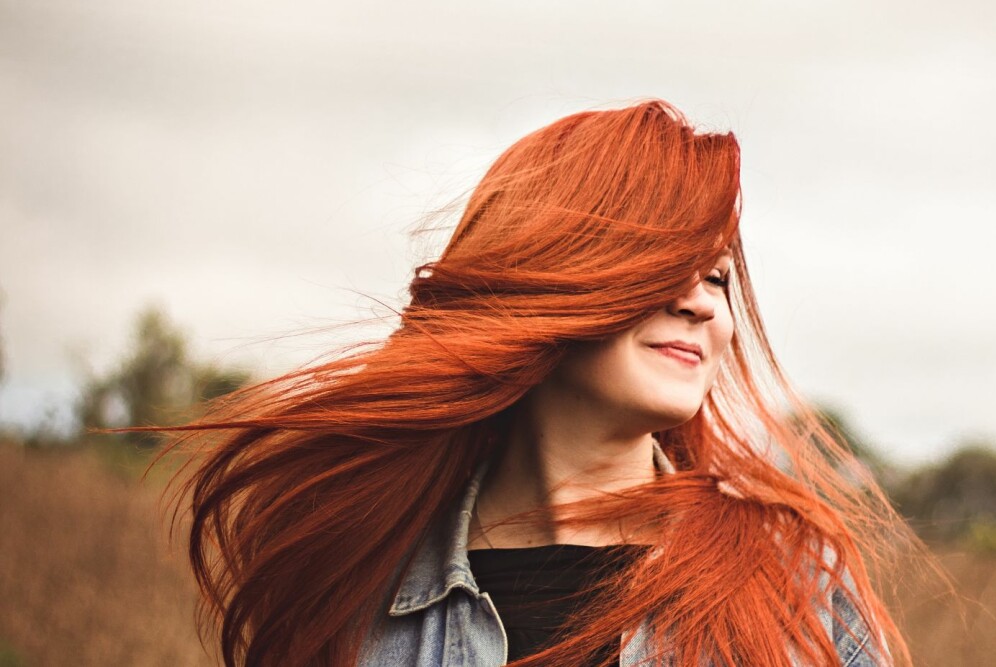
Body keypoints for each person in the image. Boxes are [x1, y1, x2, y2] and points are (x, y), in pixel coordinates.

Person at [165, 100, 917, 666]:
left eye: (718, 276)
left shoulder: (793, 576)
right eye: (661, 263)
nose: (701, 302)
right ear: (555, 271)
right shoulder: (364, 594)